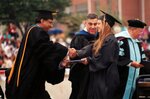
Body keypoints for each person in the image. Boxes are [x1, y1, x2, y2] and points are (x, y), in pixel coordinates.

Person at [5, 10, 68, 99]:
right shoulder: (36, 31)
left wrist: (60, 65)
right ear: (42, 20)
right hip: (29, 85)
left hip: (33, 83)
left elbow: (44, 56)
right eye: (50, 22)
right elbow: (46, 50)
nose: (51, 25)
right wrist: (65, 50)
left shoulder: (33, 31)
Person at [69, 10, 121, 99]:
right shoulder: (101, 38)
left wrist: (89, 60)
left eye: (98, 24)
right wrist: (77, 52)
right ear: (86, 23)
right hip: (90, 76)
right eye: (91, 24)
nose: (95, 26)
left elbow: (104, 59)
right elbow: (91, 48)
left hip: (105, 78)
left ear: (106, 24)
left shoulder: (110, 40)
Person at [115, 19, 147, 99]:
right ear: (132, 29)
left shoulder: (138, 43)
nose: (141, 34)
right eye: (140, 31)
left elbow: (143, 59)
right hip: (122, 77)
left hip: (134, 78)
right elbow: (117, 57)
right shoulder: (121, 40)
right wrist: (131, 63)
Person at [69, 13, 98, 99]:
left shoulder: (99, 36)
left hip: (94, 74)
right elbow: (73, 56)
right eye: (90, 24)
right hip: (81, 75)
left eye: (95, 24)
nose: (93, 26)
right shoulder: (79, 37)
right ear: (85, 23)